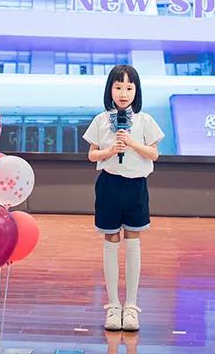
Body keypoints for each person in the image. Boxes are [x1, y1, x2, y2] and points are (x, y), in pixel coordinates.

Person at [84, 64, 164, 332]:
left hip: (136, 186)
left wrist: (131, 143)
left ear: (136, 91)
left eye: (129, 88)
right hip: (109, 185)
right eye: (118, 87)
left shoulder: (145, 120)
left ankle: (131, 306)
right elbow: (92, 155)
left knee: (133, 241)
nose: (123, 93)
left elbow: (153, 154)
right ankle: (113, 306)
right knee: (110, 241)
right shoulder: (100, 120)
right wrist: (109, 150)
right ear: (110, 89)